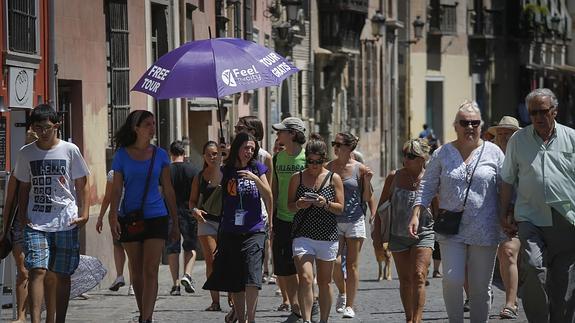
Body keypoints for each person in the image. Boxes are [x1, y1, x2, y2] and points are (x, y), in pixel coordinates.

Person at [412, 100, 505, 323]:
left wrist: (510, 215)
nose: (470, 127)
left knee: (480, 286)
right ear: (456, 125)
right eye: (464, 122)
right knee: (452, 279)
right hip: (451, 227)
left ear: (481, 125)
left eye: (474, 122)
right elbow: (427, 185)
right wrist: (416, 213)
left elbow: (507, 186)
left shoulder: (494, 153)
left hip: (485, 229)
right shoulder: (443, 153)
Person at [500, 88, 575, 323]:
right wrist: (503, 213)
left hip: (566, 219)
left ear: (554, 111)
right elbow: (507, 179)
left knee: (564, 284)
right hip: (531, 217)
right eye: (533, 113)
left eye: (543, 111)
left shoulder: (572, 137)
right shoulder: (518, 140)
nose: (538, 117)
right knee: (533, 267)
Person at [14, 104, 91, 323]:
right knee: (37, 270)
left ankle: (60, 320)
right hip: (36, 221)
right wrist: (22, 215)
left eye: (47, 127)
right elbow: (23, 186)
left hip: (66, 220)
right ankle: (36, 320)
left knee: (62, 274)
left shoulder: (70, 150)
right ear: (33, 128)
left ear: (56, 126)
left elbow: (82, 183)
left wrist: (84, 213)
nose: (43, 132)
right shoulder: (26, 153)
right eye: (38, 127)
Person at [108, 110, 179, 323]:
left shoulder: (161, 155)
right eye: (147, 124)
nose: (152, 127)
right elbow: (116, 189)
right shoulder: (121, 155)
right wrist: (112, 216)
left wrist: (175, 221)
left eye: (154, 123)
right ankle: (143, 312)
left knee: (151, 268)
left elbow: (168, 189)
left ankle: (147, 317)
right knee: (136, 270)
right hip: (130, 217)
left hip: (156, 215)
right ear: (136, 128)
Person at [203, 132, 272, 323]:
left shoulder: (258, 168)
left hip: (254, 229)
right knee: (236, 281)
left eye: (252, 148)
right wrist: (219, 159)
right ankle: (241, 319)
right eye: (245, 148)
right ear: (237, 148)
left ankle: (251, 319)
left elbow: (268, 194)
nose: (249, 151)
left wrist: (254, 178)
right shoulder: (227, 169)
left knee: (252, 278)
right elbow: (213, 183)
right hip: (230, 230)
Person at [375, 139, 435, 323]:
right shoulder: (394, 177)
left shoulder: (431, 178)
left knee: (418, 275)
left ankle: (417, 319)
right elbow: (381, 209)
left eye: (410, 156)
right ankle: (409, 318)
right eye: (404, 154)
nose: (405, 159)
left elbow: (438, 209)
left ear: (422, 159)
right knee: (406, 280)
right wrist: (377, 238)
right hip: (398, 235)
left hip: (423, 233)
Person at [287, 134, 345, 323]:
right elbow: (289, 206)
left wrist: (325, 203)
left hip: (327, 236)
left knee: (324, 282)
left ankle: (324, 320)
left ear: (323, 159)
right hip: (303, 234)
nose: (313, 166)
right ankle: (306, 320)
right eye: (310, 161)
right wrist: (299, 205)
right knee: (305, 277)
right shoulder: (298, 178)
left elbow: (340, 208)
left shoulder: (333, 178)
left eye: (317, 162)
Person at [326, 132, 373, 318]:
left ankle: (350, 306)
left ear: (348, 147)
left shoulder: (360, 169)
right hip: (334, 220)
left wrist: (368, 181)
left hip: (355, 220)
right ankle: (343, 292)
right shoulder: (328, 168)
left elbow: (367, 197)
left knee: (352, 265)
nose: (335, 147)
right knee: (335, 263)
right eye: (333, 144)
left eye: (338, 144)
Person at [271, 117, 307, 320]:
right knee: (284, 267)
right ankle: (295, 305)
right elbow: (274, 189)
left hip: (304, 219)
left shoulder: (307, 158)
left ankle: (305, 303)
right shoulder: (278, 158)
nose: (278, 135)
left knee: (302, 265)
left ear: (292, 134)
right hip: (282, 218)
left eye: (281, 131)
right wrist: (272, 214)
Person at [0, 129, 37, 323]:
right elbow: (10, 201)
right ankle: (22, 315)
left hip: (42, 222)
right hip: (20, 224)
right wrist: (4, 228)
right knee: (23, 270)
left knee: (39, 271)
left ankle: (34, 311)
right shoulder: (19, 170)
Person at [487, 116, 521, 319]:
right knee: (492, 255)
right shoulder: (488, 154)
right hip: (489, 213)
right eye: (499, 133)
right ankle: (479, 295)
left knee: (508, 252)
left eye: (507, 133)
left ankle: (511, 302)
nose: (503, 136)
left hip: (518, 212)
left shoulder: (524, 153)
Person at [234, 116, 275, 284]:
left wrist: (270, 215)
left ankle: (263, 269)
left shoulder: (264, 157)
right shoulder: (232, 154)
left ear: (253, 131)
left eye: (240, 128)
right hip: (235, 210)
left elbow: (268, 190)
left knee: (258, 244)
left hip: (258, 210)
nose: (236, 131)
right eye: (236, 128)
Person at [190, 141, 223, 311]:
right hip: (206, 221)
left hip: (226, 222)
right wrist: (195, 210)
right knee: (212, 259)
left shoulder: (227, 173)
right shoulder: (199, 176)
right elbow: (192, 201)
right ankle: (215, 301)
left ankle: (233, 296)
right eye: (209, 154)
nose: (212, 157)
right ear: (204, 156)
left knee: (228, 260)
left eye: (216, 153)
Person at [165, 140, 198, 296]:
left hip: (170, 212)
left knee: (172, 248)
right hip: (189, 211)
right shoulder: (193, 170)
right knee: (190, 247)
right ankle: (187, 274)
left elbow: (162, 191)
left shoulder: (166, 171)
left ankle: (175, 284)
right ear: (184, 154)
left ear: (171, 154)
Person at [95, 169, 133, 295]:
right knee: (133, 251)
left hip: (117, 215)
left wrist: (101, 217)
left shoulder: (113, 173)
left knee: (118, 246)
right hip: (132, 214)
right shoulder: (135, 169)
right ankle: (132, 285)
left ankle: (120, 275)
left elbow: (107, 197)